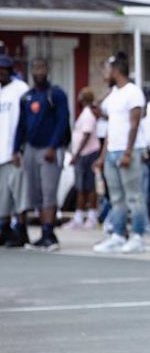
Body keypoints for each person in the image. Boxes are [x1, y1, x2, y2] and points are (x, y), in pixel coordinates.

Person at [93, 54, 148, 254]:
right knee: (116, 198)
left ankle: (137, 236)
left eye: (107, 69)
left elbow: (134, 123)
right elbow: (110, 127)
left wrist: (128, 152)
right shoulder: (113, 94)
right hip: (112, 150)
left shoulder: (133, 92)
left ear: (116, 69)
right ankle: (118, 234)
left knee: (134, 196)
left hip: (129, 151)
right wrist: (102, 156)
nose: (104, 74)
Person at [14, 57, 70, 252]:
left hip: (49, 150)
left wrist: (53, 147)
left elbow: (63, 122)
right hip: (30, 148)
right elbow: (21, 125)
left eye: (42, 68)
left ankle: (49, 233)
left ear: (48, 70)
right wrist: (16, 149)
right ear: (31, 71)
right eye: (35, 68)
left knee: (49, 193)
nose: (39, 72)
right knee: (35, 193)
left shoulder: (56, 94)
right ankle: (43, 234)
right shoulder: (27, 97)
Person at [0, 53, 28, 247]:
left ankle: (22, 230)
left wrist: (20, 148)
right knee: (2, 197)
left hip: (15, 152)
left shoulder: (21, 89)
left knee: (19, 194)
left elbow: (25, 122)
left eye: (3, 71)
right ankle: (5, 230)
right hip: (0, 153)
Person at [66, 87, 101, 230]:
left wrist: (76, 154)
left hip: (87, 154)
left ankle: (89, 217)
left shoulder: (87, 114)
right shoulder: (87, 113)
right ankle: (80, 216)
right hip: (85, 154)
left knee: (87, 187)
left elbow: (86, 135)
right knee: (82, 187)